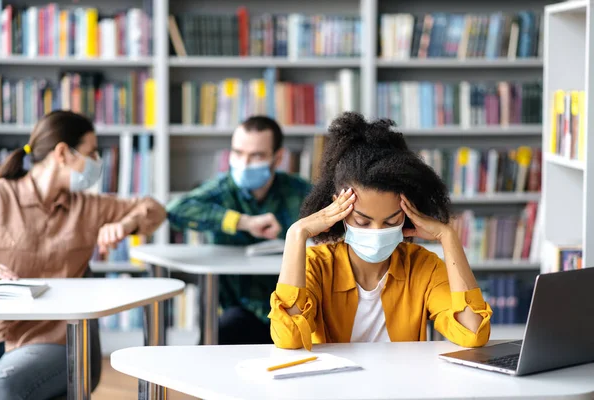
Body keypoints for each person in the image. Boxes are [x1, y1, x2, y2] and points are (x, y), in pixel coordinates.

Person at [269, 112, 492, 350]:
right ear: (339, 209)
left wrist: (448, 237)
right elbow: (288, 338)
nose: (376, 232)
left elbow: (472, 333)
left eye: (390, 221)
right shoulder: (316, 265)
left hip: (401, 385)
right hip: (334, 386)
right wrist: (296, 234)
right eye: (363, 222)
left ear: (406, 215)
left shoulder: (423, 267)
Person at [0, 110, 166, 399]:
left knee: (3, 386)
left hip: (53, 341)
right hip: (0, 332)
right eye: (92, 153)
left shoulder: (89, 207)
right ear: (63, 152)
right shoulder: (0, 196)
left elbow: (155, 209)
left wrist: (124, 224)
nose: (97, 163)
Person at [167, 115, 312, 344]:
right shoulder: (223, 188)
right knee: (218, 338)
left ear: (278, 157)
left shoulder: (299, 191)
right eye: (237, 153)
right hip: (238, 310)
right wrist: (242, 222)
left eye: (256, 155)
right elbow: (176, 210)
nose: (244, 163)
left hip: (293, 309)